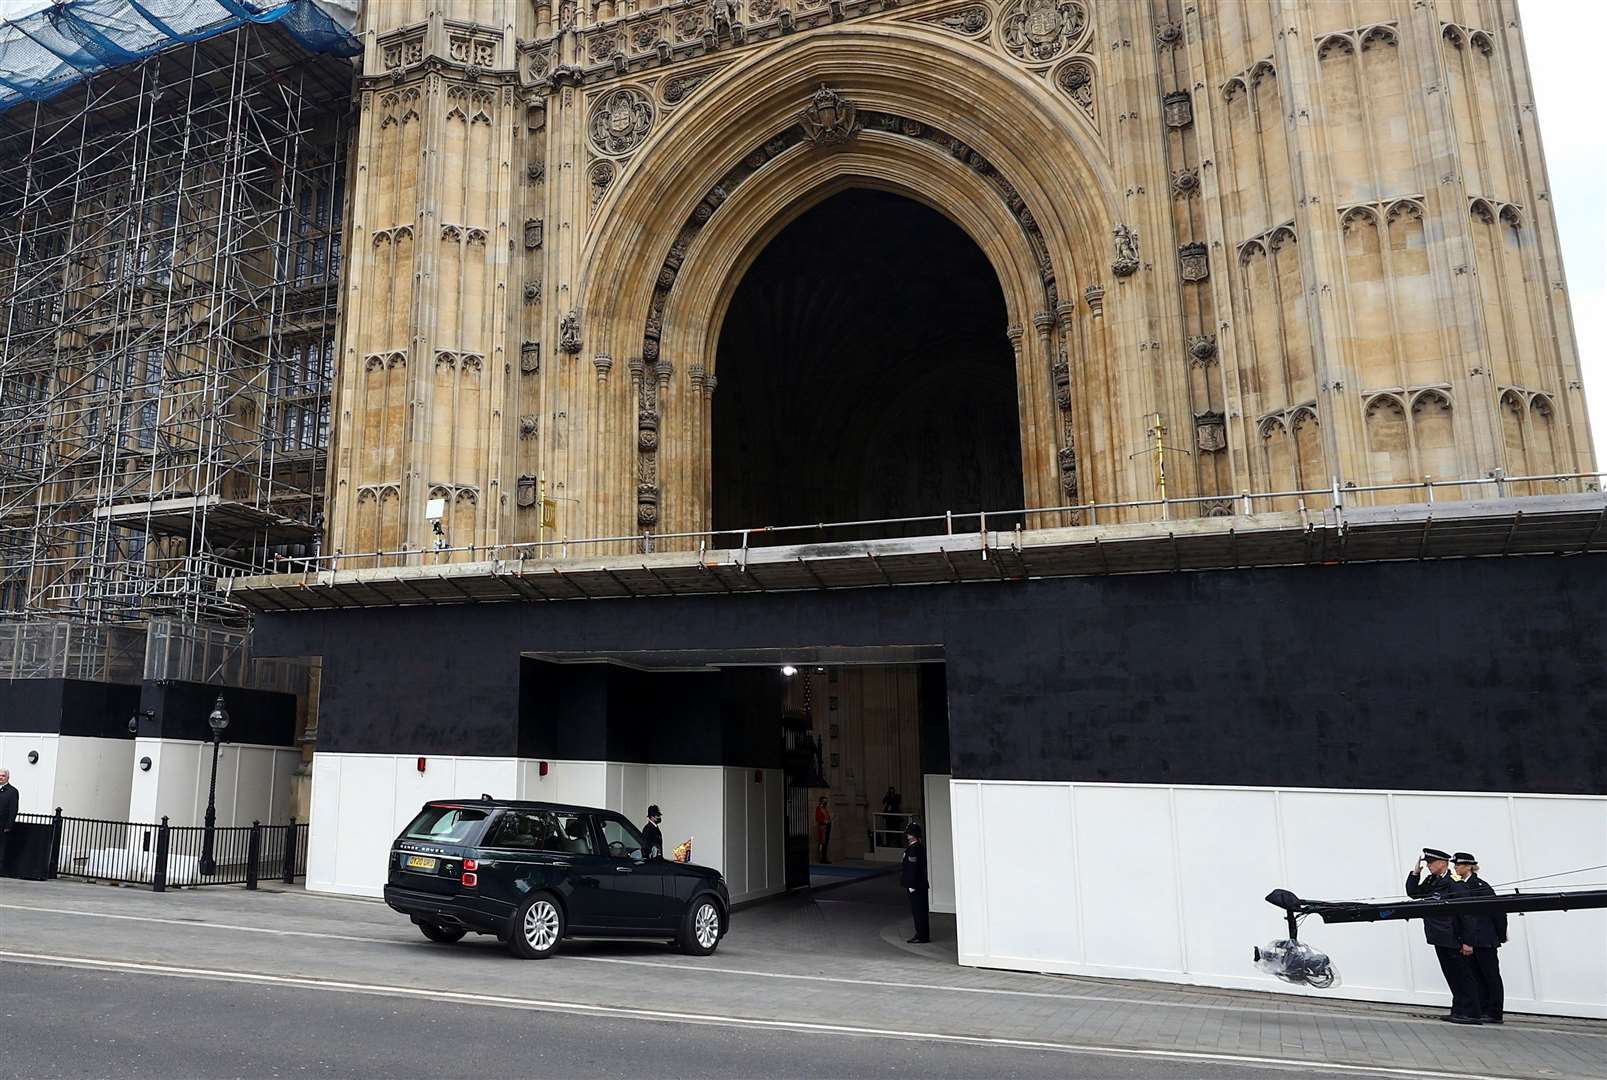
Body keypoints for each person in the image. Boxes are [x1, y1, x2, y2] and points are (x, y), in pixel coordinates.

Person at [1406, 846, 1480, 1024]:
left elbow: (1467, 914)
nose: (1429, 866)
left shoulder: (1455, 883)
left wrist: (1468, 942)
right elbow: (1413, 894)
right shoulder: (1433, 880)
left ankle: (1471, 1012)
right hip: (1440, 936)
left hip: (1454, 937)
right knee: (1452, 975)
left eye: (1431, 863)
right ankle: (1459, 1010)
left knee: (1463, 975)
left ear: (1442, 863)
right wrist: (1415, 873)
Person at [1453, 852, 1506, 1025]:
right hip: (1472, 938)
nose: (1456, 867)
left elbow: (1497, 911)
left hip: (1484, 938)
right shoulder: (1462, 885)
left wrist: (1500, 936)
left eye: (1459, 865)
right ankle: (1482, 1008)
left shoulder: (1480, 886)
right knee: (1476, 976)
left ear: (1469, 866)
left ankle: (1494, 1012)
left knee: (1490, 975)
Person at [902, 822, 930, 943]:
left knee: (919, 912)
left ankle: (921, 935)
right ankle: (921, 934)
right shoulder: (915, 848)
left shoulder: (914, 849)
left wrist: (911, 885)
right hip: (919, 885)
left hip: (916, 886)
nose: (907, 835)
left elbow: (912, 869)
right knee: (919, 911)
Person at [0, 768, 17, 875]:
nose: (0, 778)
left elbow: (13, 809)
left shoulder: (12, 791)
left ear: (7, 777)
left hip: (2, 825)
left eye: (3, 776)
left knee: (1, 847)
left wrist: (9, 825)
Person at [815, 796, 832, 864]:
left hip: (827, 827)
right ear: (821, 801)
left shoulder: (825, 809)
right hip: (822, 828)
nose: (826, 802)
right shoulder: (818, 809)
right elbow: (818, 818)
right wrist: (825, 821)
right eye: (825, 801)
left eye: (826, 801)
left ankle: (825, 857)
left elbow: (827, 817)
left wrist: (829, 821)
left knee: (826, 843)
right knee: (822, 842)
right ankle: (822, 858)